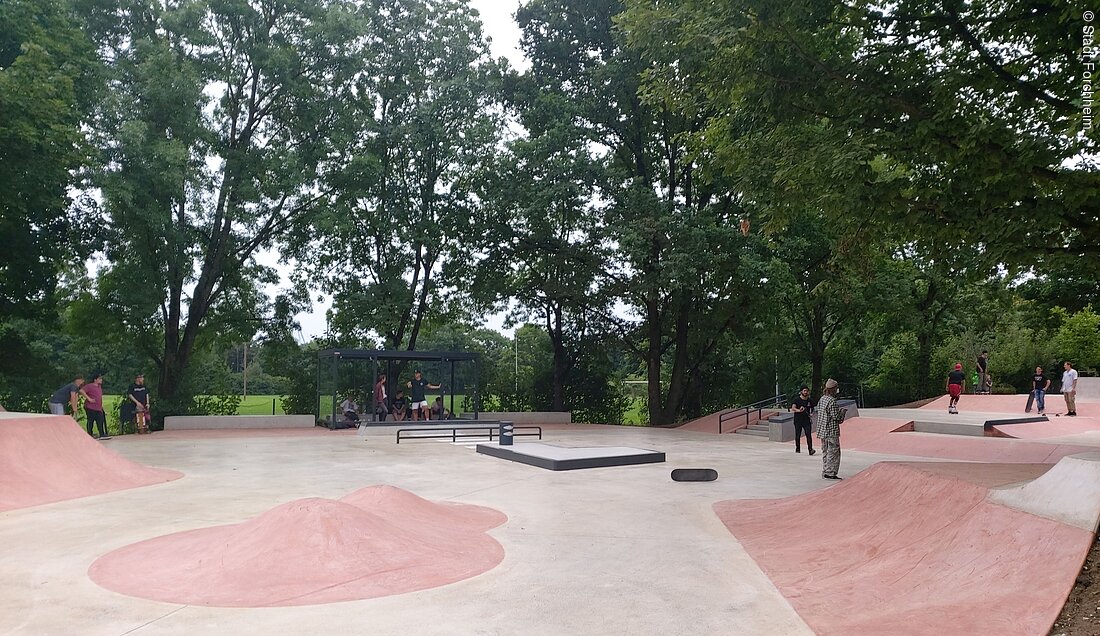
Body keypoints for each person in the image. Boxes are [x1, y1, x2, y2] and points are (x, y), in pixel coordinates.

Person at [816, 379, 845, 480]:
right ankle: (831, 472)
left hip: (822, 430)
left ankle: (825, 470)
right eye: (836, 388)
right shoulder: (832, 401)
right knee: (833, 451)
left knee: (825, 451)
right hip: (831, 430)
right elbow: (836, 417)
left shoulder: (822, 399)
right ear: (833, 389)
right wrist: (842, 412)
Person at [81, 373, 110, 439]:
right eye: (99, 379)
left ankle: (102, 434)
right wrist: (89, 399)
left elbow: (99, 397)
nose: (101, 380)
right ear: (95, 380)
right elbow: (81, 391)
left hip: (98, 408)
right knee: (90, 421)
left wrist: (101, 407)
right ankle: (89, 434)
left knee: (100, 420)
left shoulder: (99, 387)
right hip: (90, 407)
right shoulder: (90, 386)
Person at [790, 386, 815, 455]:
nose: (806, 392)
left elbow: (813, 408)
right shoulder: (797, 400)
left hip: (806, 420)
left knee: (808, 434)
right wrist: (799, 410)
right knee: (798, 434)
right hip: (798, 420)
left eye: (807, 391)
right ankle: (798, 448)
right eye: (804, 391)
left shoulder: (810, 400)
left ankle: (810, 449)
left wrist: (811, 413)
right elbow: (793, 408)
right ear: (801, 391)